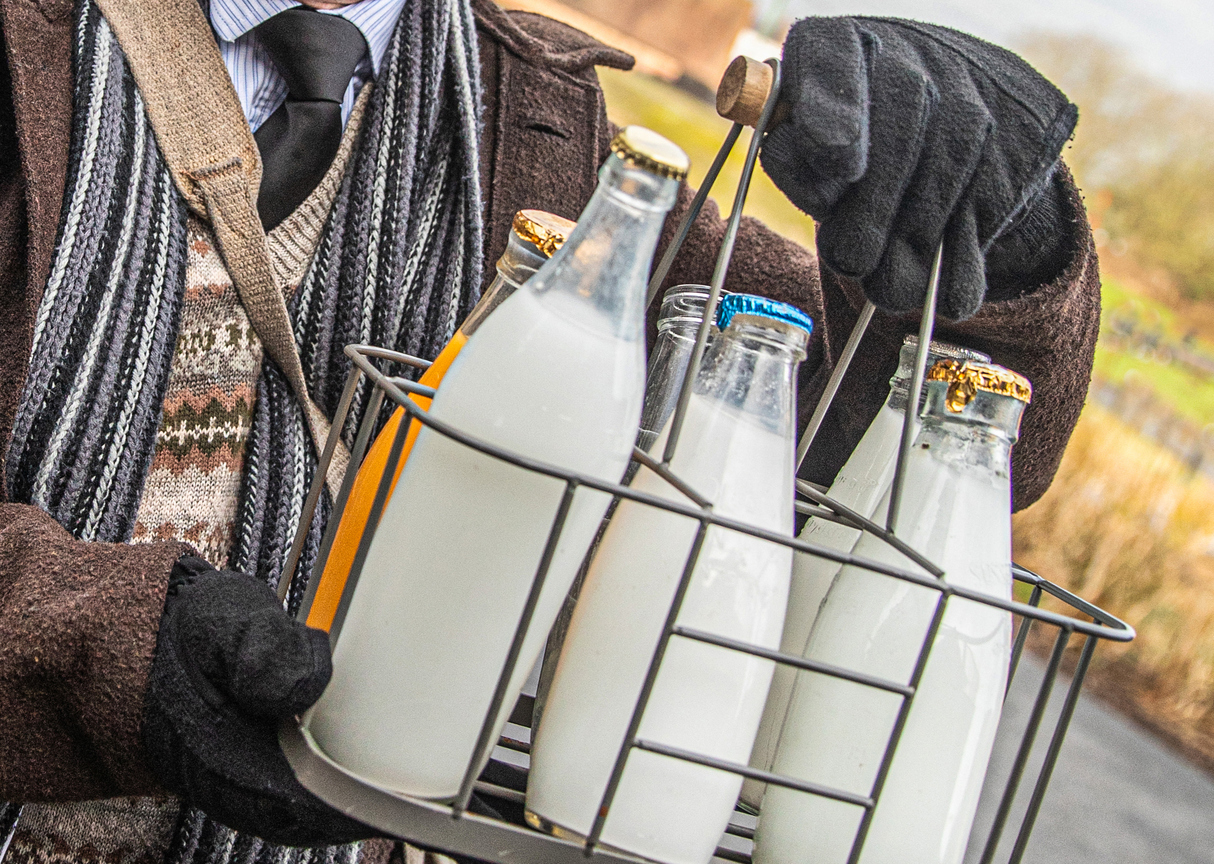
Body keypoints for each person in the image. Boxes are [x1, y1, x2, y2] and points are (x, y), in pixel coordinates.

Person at [0, 2, 1098, 864]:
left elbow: (944, 438)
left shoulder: (548, 143)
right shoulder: (30, 50)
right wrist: (97, 650)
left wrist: (1002, 236)